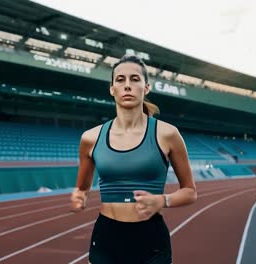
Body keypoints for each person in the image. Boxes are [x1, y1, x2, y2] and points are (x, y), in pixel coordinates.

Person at [71, 55, 197, 264]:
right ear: (112, 89)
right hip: (107, 237)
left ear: (146, 87)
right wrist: (79, 195)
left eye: (135, 79)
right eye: (120, 80)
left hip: (150, 238)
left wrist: (162, 200)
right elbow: (82, 188)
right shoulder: (90, 138)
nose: (127, 85)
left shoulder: (167, 134)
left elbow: (190, 192)